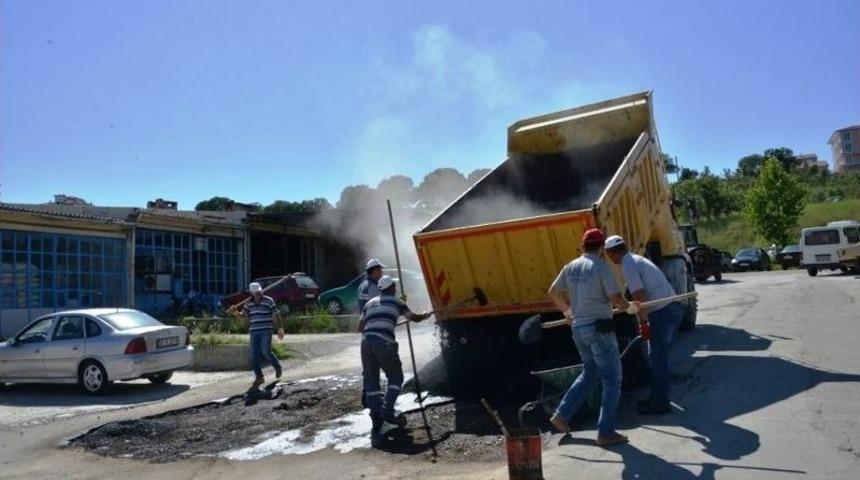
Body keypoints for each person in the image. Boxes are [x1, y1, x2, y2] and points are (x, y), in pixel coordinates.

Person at [547, 228, 639, 447]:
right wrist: (629, 307)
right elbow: (615, 298)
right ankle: (605, 432)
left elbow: (552, 291)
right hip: (599, 330)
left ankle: (561, 415)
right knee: (612, 380)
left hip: (578, 329)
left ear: (583, 245)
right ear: (600, 248)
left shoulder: (571, 267)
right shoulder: (601, 267)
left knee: (590, 373)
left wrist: (567, 312)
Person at [604, 235, 683, 415]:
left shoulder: (628, 265)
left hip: (663, 313)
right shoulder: (635, 259)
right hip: (670, 309)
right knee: (657, 357)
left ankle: (660, 402)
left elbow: (640, 297)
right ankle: (657, 397)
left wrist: (643, 323)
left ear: (610, 253)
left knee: (657, 359)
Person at [360, 275, 431, 435]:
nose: (396, 289)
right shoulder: (396, 302)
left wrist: (382, 322)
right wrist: (425, 315)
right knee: (396, 378)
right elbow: (414, 318)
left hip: (365, 343)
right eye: (394, 286)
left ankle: (376, 416)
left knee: (372, 381)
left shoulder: (369, 304)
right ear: (391, 288)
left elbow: (360, 327)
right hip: (383, 343)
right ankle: (387, 409)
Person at [228, 282, 285, 388]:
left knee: (265, 351)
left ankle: (277, 367)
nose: (258, 294)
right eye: (255, 293)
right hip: (254, 331)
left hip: (266, 330)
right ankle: (259, 377)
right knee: (253, 355)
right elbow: (243, 317)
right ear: (251, 293)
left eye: (259, 292)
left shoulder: (268, 300)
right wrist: (235, 312)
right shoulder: (248, 303)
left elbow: (276, 314)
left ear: (261, 290)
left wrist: (280, 328)